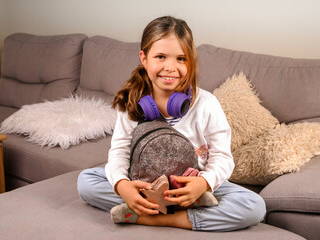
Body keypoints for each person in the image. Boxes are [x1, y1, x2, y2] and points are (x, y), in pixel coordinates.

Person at [77, 16, 266, 231]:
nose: (170, 67)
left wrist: (203, 183)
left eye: (181, 59)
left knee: (254, 206)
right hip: (144, 184)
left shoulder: (207, 104)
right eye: (160, 57)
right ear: (144, 58)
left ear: (191, 61)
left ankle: (149, 216)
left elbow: (222, 157)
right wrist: (123, 186)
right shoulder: (131, 103)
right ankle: (150, 205)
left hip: (193, 190)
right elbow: (119, 152)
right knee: (86, 181)